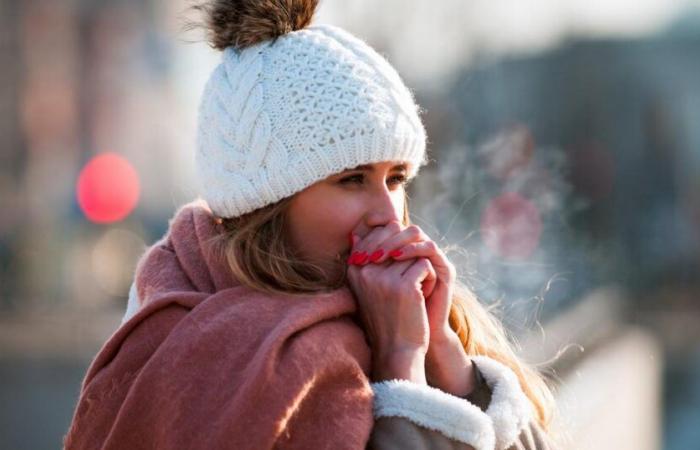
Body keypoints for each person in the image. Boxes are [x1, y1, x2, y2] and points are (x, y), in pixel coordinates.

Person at [64, 1, 561, 449]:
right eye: (351, 179)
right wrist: (401, 371)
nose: (388, 213)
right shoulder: (191, 350)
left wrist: (449, 361)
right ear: (268, 206)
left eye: (396, 178)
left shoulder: (417, 315)